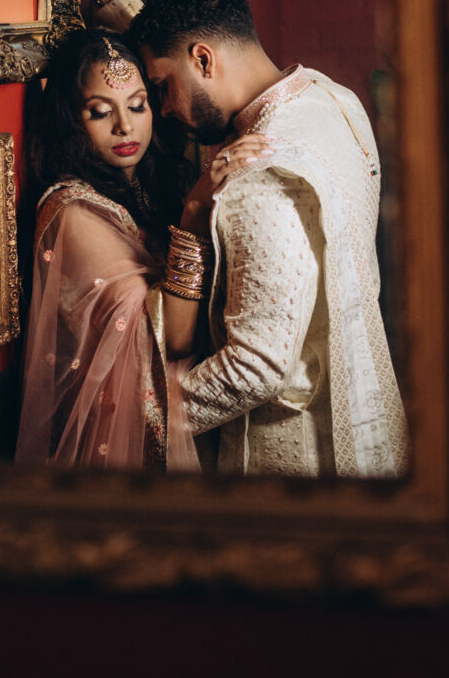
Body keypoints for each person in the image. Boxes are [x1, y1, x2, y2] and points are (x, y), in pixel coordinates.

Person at [74, 0, 407, 479]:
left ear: (204, 59)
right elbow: (187, 44)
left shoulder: (256, 178)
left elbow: (255, 367)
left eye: (161, 88)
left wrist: (135, 416)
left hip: (296, 460)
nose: (164, 110)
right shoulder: (334, 100)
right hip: (375, 423)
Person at [15, 27, 264, 471]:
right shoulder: (72, 209)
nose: (125, 126)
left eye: (137, 105)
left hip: (201, 412)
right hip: (126, 433)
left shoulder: (158, 180)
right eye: (99, 112)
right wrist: (193, 215)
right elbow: (173, 339)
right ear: (71, 121)